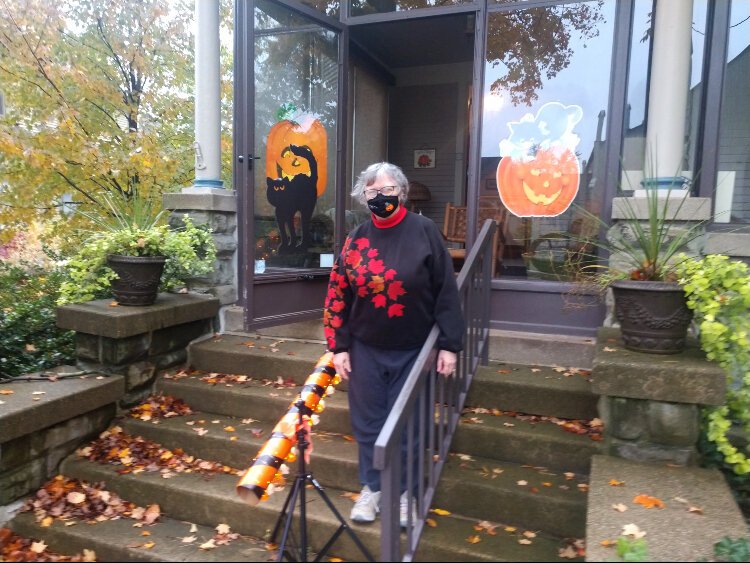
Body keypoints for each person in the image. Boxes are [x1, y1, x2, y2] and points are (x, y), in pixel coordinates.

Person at [322, 162, 464, 527]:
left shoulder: (424, 231)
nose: (380, 197)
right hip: (365, 349)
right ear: (363, 197)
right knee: (368, 424)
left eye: (387, 190)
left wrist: (449, 344)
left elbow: (446, 291)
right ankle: (372, 489)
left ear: (401, 192)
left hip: (415, 350)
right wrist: (338, 346)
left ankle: (404, 495)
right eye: (372, 192)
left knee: (409, 426)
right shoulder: (356, 239)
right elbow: (338, 293)